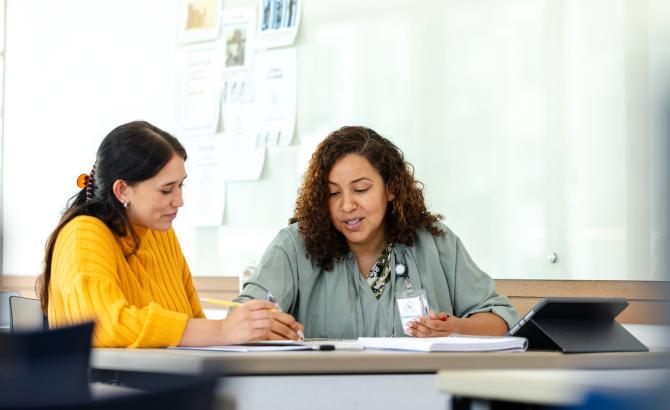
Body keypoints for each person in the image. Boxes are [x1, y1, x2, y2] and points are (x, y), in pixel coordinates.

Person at [236, 126, 519, 338]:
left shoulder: (434, 243)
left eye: (361, 189)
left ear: (392, 189)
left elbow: (500, 318)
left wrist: (455, 329)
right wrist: (260, 325)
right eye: (333, 193)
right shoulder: (294, 246)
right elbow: (239, 316)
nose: (347, 205)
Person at [37, 121, 280, 348]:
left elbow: (194, 319)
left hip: (165, 381)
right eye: (166, 190)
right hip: (106, 389)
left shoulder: (161, 233)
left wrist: (253, 330)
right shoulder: (83, 234)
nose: (179, 201)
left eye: (181, 186)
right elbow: (101, 325)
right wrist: (223, 331)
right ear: (122, 190)